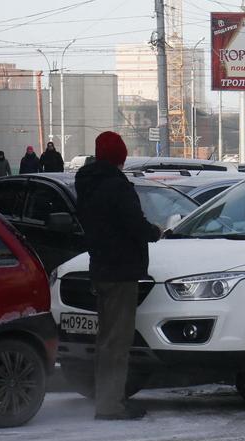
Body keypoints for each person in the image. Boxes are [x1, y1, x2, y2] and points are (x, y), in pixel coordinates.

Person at [75, 131, 160, 421]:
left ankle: (107, 399)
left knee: (105, 339)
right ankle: (111, 405)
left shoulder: (88, 185)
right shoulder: (116, 186)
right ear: (118, 157)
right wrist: (155, 232)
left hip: (100, 267)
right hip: (121, 269)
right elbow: (134, 224)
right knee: (118, 341)